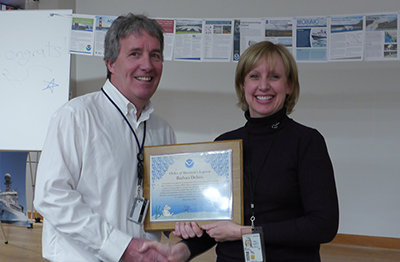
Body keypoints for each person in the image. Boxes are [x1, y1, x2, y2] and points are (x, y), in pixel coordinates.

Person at [140, 41, 339, 261]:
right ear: (243, 85)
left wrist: (244, 231)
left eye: (274, 76)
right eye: (254, 76)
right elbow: (215, 227)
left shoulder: (307, 142)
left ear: (289, 85)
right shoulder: (223, 146)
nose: (263, 86)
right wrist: (181, 251)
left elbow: (323, 225)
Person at [34, 13, 176, 262]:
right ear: (110, 62)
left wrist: (187, 219)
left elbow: (167, 207)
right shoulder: (75, 117)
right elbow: (51, 197)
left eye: (155, 55)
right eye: (135, 54)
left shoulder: (162, 130)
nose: (147, 65)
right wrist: (121, 247)